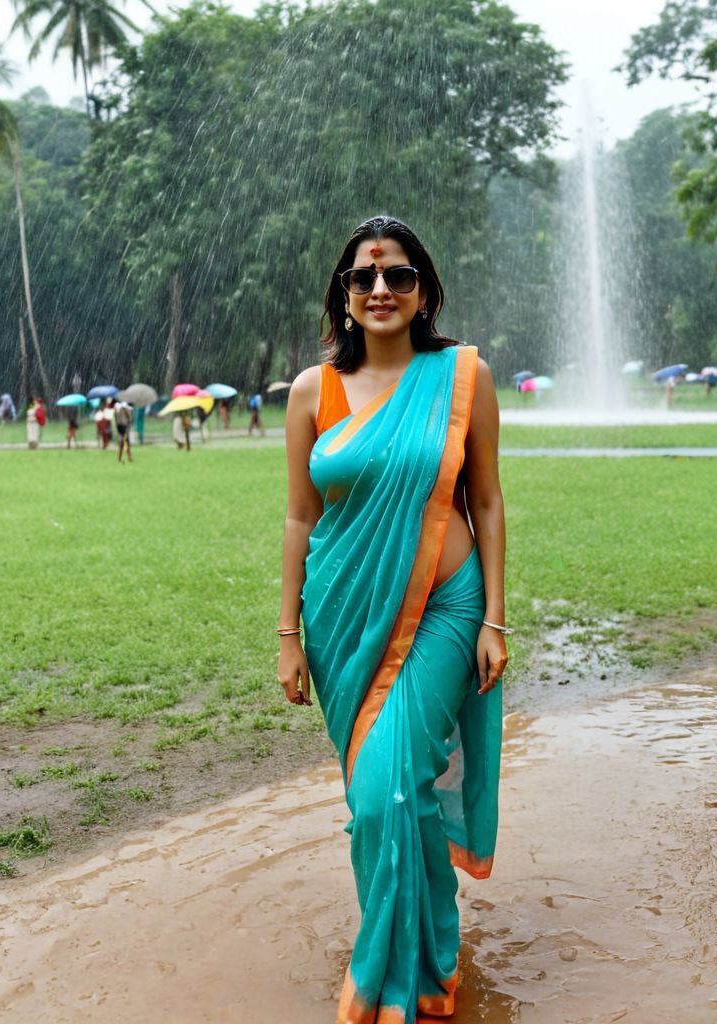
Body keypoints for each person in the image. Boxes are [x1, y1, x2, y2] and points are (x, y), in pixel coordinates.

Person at [278, 216, 507, 1022]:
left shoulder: (461, 380)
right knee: (377, 798)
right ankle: (428, 945)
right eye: (364, 278)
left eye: (399, 276)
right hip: (341, 623)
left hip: (448, 608)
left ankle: (391, 976)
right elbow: (302, 518)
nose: (381, 290)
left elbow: (484, 498)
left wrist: (496, 621)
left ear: (423, 292)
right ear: (344, 294)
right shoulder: (313, 391)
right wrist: (287, 637)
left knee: (390, 794)